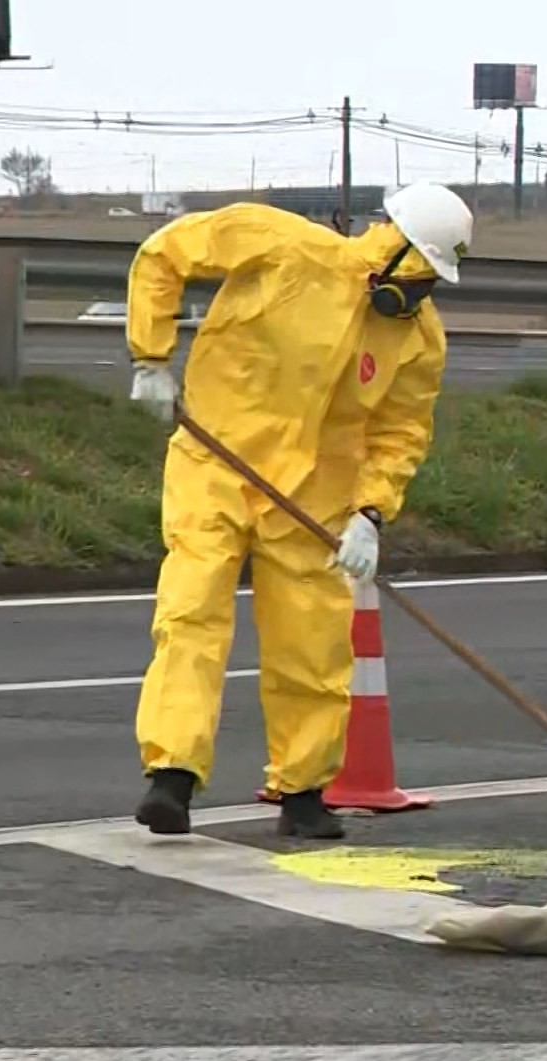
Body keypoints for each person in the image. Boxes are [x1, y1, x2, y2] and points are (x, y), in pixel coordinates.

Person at [123, 182, 473, 840]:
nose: (423, 295)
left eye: (434, 284)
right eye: (422, 276)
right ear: (393, 248)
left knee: (312, 644)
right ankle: (171, 776)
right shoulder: (280, 246)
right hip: (216, 464)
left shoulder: (418, 339)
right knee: (191, 613)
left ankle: (304, 790)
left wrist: (371, 513)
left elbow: (400, 434)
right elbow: (163, 255)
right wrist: (150, 356)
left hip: (315, 498)